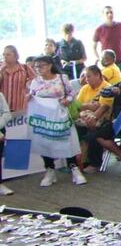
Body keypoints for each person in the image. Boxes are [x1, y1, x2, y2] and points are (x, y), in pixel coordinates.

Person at [26, 55, 84, 186]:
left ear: (50, 65)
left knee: (66, 140)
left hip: (60, 115)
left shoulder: (62, 79)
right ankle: (49, 169)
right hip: (43, 118)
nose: (38, 69)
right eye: (36, 67)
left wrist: (66, 101)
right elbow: (33, 95)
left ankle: (74, 168)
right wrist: (28, 97)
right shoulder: (35, 82)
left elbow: (71, 93)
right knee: (45, 142)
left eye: (41, 66)